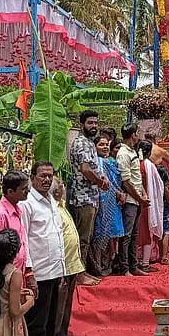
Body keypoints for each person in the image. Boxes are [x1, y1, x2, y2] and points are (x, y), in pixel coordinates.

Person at [18, 161, 65, 336]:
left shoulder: (52, 201)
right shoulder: (27, 203)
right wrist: (29, 272)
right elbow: (24, 240)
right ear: (33, 177)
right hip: (38, 272)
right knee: (35, 325)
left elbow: (56, 234)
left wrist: (62, 269)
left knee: (50, 323)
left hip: (54, 270)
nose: (47, 180)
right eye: (42, 176)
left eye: (50, 175)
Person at [51, 177, 96, 336]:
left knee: (65, 313)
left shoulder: (61, 206)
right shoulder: (50, 209)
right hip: (59, 269)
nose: (62, 188)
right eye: (60, 185)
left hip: (71, 267)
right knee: (57, 313)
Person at [68, 110, 108, 281]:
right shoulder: (82, 143)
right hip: (82, 197)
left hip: (91, 197)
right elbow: (85, 170)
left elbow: (93, 167)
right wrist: (101, 182)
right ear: (82, 124)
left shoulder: (89, 143)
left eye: (96, 123)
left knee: (87, 237)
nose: (94, 126)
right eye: (90, 123)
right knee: (82, 238)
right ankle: (78, 275)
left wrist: (102, 177)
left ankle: (83, 271)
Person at [116, 124, 149, 277]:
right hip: (130, 200)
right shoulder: (123, 153)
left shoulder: (132, 151)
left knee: (134, 235)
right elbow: (126, 182)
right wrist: (139, 198)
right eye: (137, 133)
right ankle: (124, 268)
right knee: (126, 235)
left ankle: (133, 266)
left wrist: (143, 194)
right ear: (133, 135)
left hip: (136, 199)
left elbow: (136, 178)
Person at [91, 137, 125, 276]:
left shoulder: (111, 162)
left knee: (113, 234)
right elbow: (104, 182)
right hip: (102, 201)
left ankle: (109, 263)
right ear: (95, 147)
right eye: (101, 145)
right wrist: (118, 193)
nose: (105, 147)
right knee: (101, 233)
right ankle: (99, 266)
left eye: (106, 144)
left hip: (113, 202)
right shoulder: (97, 162)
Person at [0, 170, 30, 279]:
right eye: (24, 188)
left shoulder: (17, 209)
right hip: (6, 276)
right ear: (10, 191)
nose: (28, 191)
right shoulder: (0, 215)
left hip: (18, 271)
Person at [137, 140, 164, 272]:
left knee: (137, 232)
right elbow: (158, 185)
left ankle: (135, 261)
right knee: (147, 231)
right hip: (147, 202)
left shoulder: (137, 164)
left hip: (136, 201)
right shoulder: (149, 165)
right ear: (149, 152)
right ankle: (145, 263)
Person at [158, 165, 169, 265]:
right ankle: (164, 257)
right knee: (166, 232)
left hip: (157, 209)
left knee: (160, 232)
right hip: (165, 210)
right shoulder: (165, 185)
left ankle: (160, 255)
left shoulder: (155, 184)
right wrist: (168, 190)